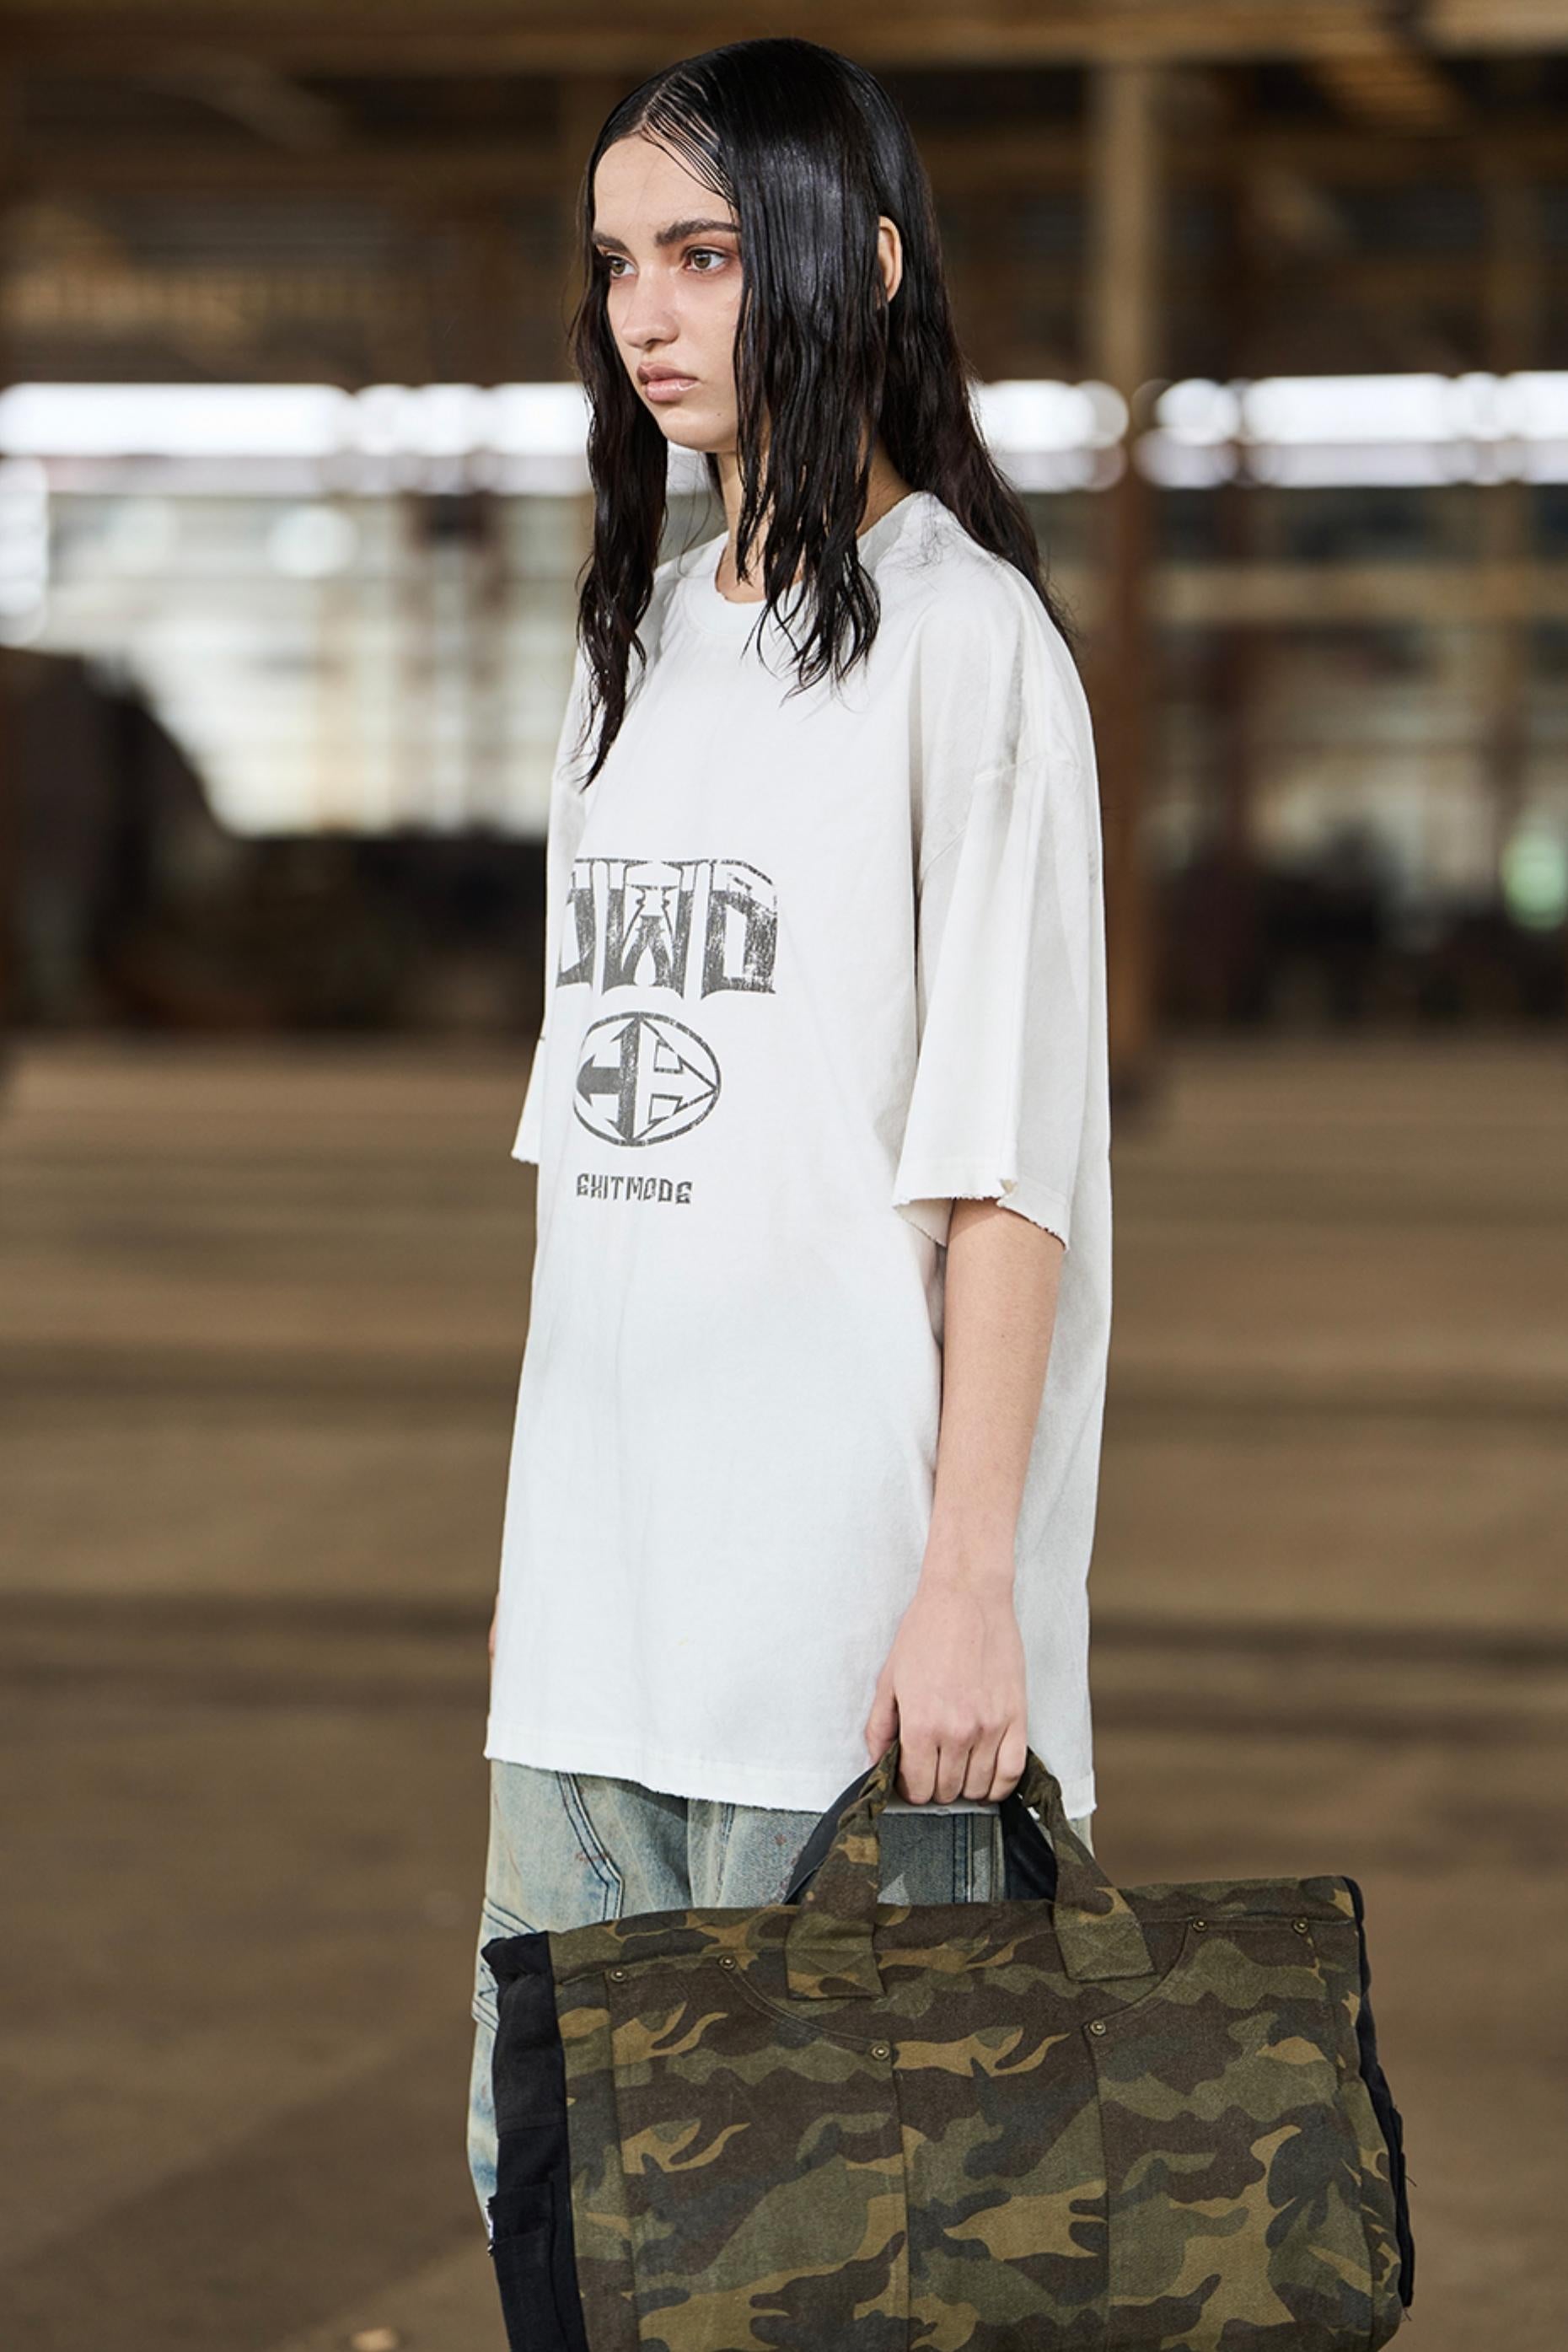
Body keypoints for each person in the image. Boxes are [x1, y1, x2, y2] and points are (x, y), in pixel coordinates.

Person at [466, 35, 1110, 2235]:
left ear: (866, 263)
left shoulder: (966, 649)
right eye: (616, 264)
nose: (645, 314)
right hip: (595, 1627)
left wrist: (971, 1588)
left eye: (707, 255)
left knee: (834, 2257)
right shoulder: (627, 658)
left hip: (841, 1651)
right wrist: (550, 1563)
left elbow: (1007, 1170)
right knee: (562, 2222)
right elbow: (601, 1160)